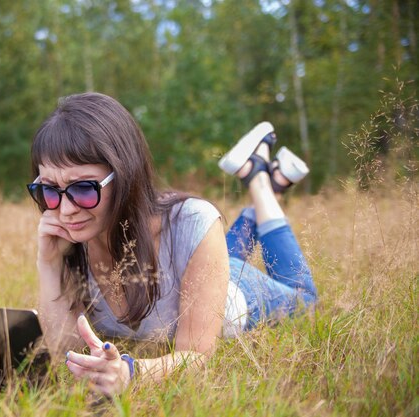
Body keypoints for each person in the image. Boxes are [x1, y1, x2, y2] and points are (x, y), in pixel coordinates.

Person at [26, 92, 317, 397]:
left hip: (235, 292)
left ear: (124, 174)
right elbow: (67, 350)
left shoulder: (191, 221)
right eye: (49, 190)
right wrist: (48, 263)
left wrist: (131, 370)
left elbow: (197, 355)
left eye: (83, 189)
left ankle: (258, 180)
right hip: (197, 263)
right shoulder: (74, 237)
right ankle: (272, 184)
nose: (65, 209)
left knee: (305, 297)